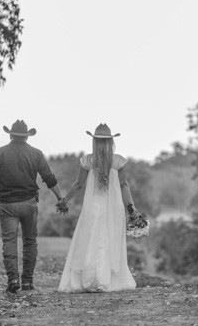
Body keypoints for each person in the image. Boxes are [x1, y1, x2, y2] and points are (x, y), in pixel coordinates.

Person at [0, 120, 67, 293]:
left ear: (10, 134)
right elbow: (49, 178)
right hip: (30, 204)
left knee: (9, 241)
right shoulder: (36, 154)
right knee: (30, 242)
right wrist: (60, 198)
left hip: (7, 205)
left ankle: (13, 279)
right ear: (27, 136)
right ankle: (28, 281)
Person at [57, 123, 138, 293]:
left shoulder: (89, 160)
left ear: (94, 141)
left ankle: (90, 278)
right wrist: (131, 209)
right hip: (113, 208)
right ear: (110, 142)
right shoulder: (117, 161)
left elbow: (78, 184)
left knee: (91, 239)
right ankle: (105, 279)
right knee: (109, 240)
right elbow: (124, 186)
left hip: (93, 206)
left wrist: (65, 200)